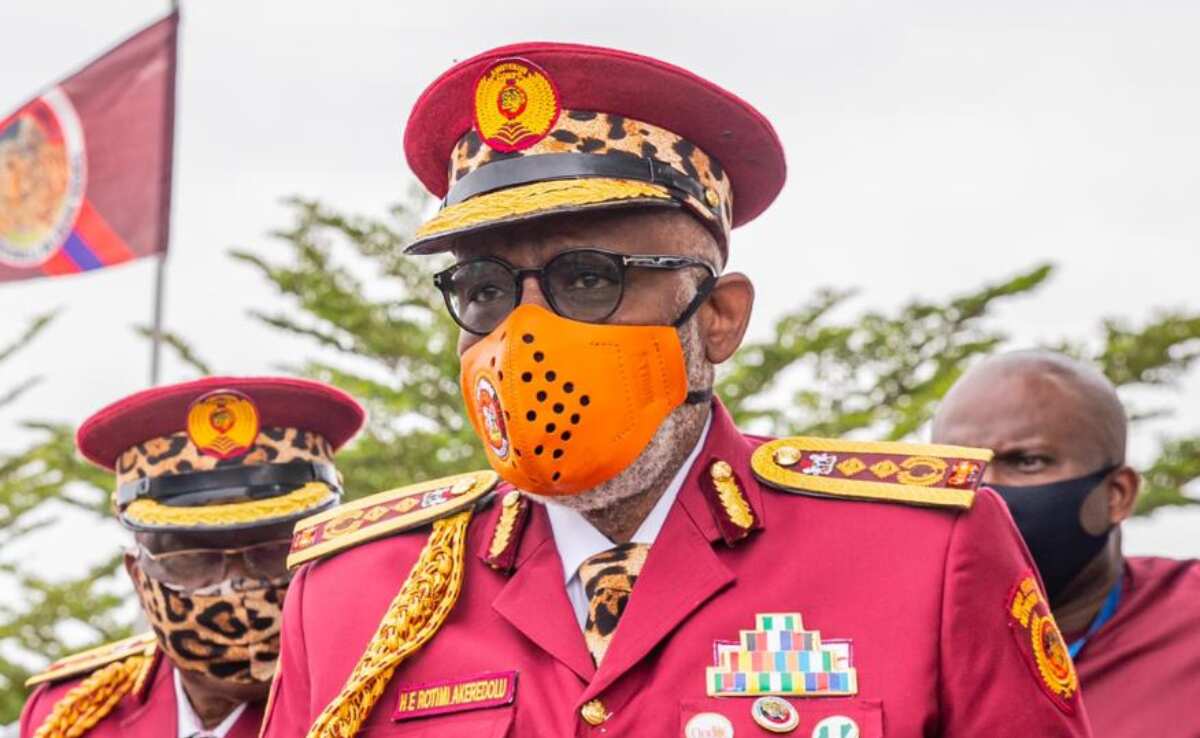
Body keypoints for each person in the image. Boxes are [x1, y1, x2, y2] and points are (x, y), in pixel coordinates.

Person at [262, 43, 1094, 738]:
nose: (525, 334)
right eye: (483, 289)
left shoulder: (921, 556)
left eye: (588, 280)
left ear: (719, 318)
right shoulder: (355, 592)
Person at [19, 376, 364, 738]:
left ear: (325, 551)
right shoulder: (71, 717)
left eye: (271, 550)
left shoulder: (373, 691)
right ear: (138, 576)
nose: (237, 587)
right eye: (196, 555)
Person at [932, 350, 1200, 738]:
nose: (982, 492)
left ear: (1117, 495)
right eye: (958, 466)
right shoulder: (897, 644)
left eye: (1026, 462)